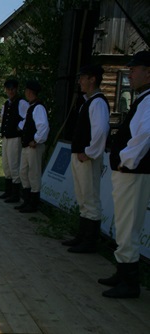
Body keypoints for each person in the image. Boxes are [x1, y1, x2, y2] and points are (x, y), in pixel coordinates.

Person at [99, 51, 150, 299]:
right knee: (123, 223)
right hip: (128, 171)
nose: (129, 74)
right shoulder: (144, 99)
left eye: (134, 69)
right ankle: (122, 272)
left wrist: (126, 161)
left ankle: (130, 282)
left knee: (129, 226)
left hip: (133, 172)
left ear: (148, 72)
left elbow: (145, 135)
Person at [62, 64, 110, 253]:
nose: (80, 81)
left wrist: (89, 152)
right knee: (83, 198)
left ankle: (89, 241)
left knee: (90, 199)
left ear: (92, 79)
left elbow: (100, 131)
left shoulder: (97, 102)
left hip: (87, 158)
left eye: (83, 77)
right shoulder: (88, 101)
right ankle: (82, 236)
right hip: (81, 156)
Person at [14, 80, 49, 213]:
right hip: (26, 146)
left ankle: (33, 203)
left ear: (30, 92)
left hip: (33, 147)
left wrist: (36, 140)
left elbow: (43, 126)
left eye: (26, 91)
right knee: (24, 172)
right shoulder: (32, 106)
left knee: (34, 174)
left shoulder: (38, 107)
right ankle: (26, 200)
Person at [0, 79, 29, 203]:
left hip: (15, 137)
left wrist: (19, 127)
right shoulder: (6, 103)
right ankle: (8, 190)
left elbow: (28, 116)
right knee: (6, 164)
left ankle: (15, 194)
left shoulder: (22, 103)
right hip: (6, 137)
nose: (10, 91)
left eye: (12, 89)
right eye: (8, 89)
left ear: (16, 89)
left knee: (14, 164)